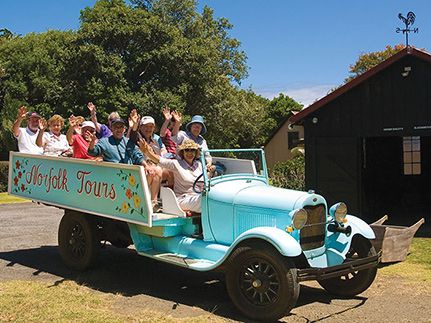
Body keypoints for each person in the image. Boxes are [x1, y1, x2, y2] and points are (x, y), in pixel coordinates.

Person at [87, 118, 162, 212]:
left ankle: (153, 203)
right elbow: (93, 152)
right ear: (111, 129)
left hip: (130, 177)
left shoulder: (128, 142)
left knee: (157, 170)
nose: (119, 130)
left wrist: (146, 166)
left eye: (121, 127)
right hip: (115, 179)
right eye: (116, 127)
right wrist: (91, 143)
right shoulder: (105, 141)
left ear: (125, 129)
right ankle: (137, 201)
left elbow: (137, 155)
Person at [138, 139, 215, 213]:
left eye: (192, 150)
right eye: (187, 150)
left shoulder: (200, 165)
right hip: (183, 199)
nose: (190, 153)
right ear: (183, 152)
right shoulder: (176, 164)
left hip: (199, 196)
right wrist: (148, 153)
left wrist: (211, 172)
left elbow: (206, 181)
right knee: (206, 200)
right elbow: (160, 161)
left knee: (213, 197)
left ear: (195, 152)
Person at [128, 110, 165, 198]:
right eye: (145, 126)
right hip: (141, 167)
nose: (148, 129)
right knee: (157, 171)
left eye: (150, 126)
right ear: (140, 127)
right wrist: (134, 125)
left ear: (154, 128)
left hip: (155, 166)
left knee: (172, 172)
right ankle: (153, 200)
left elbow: (157, 157)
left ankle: (168, 200)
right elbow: (133, 133)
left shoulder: (155, 142)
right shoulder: (137, 137)